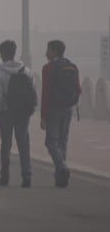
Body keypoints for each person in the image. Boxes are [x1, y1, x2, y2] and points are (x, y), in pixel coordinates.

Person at [0, 39, 34, 188]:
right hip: (23, 112)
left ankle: (5, 176)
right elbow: (32, 91)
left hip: (6, 112)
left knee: (6, 143)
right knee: (23, 143)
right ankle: (26, 174)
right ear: (15, 52)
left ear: (2, 54)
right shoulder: (27, 71)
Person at [40, 39, 81, 188]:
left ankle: (62, 167)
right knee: (62, 142)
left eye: (48, 50)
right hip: (69, 109)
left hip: (53, 109)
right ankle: (61, 179)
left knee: (50, 142)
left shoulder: (48, 68)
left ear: (55, 51)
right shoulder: (72, 66)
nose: (46, 53)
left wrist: (43, 116)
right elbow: (79, 89)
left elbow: (46, 93)